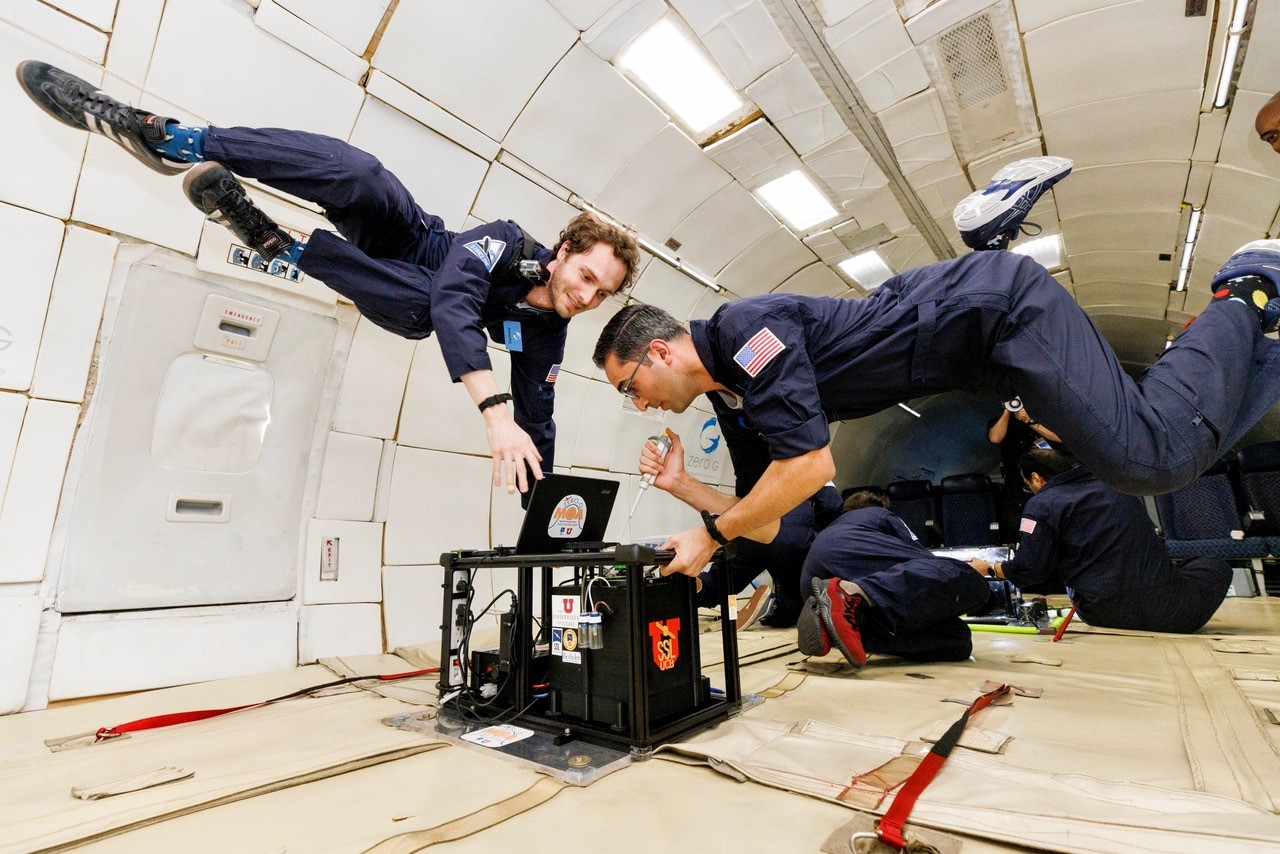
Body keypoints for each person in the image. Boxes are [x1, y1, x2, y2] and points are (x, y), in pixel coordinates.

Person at [17, 61, 641, 497]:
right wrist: (492, 412)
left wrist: (555, 520)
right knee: (360, 172)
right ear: (562, 251)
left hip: (400, 293)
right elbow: (458, 293)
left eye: (600, 293)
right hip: (413, 240)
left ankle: (278, 244)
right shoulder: (506, 239)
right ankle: (173, 138)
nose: (585, 297)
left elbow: (540, 423)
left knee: (423, 312)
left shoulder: (546, 338)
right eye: (585, 276)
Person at [595, 234, 1280, 577]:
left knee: (1148, 459)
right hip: (987, 358)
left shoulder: (747, 333)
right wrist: (687, 497)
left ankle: (1246, 287)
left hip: (996, 313)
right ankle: (1258, 349)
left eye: (630, 389)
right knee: (1162, 456)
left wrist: (711, 536)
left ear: (658, 354)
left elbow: (805, 468)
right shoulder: (736, 400)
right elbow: (773, 521)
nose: (640, 404)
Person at [966, 449, 1233, 633]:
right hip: (1175, 614)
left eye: (1028, 485)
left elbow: (1030, 570)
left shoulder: (1040, 504)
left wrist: (989, 568)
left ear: (1036, 478)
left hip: (1104, 615)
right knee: (1211, 564)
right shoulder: (1119, 486)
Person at [640, 426, 841, 630]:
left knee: (719, 584)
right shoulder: (804, 448)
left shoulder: (738, 436)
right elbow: (831, 504)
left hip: (744, 519)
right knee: (800, 597)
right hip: (793, 525)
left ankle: (688, 581)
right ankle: (776, 607)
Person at [794, 491, 993, 667]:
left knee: (958, 641)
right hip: (838, 578)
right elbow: (925, 562)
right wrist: (972, 571)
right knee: (967, 578)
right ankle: (850, 594)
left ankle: (838, 628)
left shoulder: (827, 531)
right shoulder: (880, 514)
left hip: (812, 591)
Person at [987, 398, 1064, 540]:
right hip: (1016, 477)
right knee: (1017, 517)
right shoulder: (1002, 419)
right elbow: (995, 437)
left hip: (1045, 475)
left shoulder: (1044, 415)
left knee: (1047, 511)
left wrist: (1029, 420)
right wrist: (1008, 411)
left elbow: (1058, 437)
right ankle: (1020, 542)